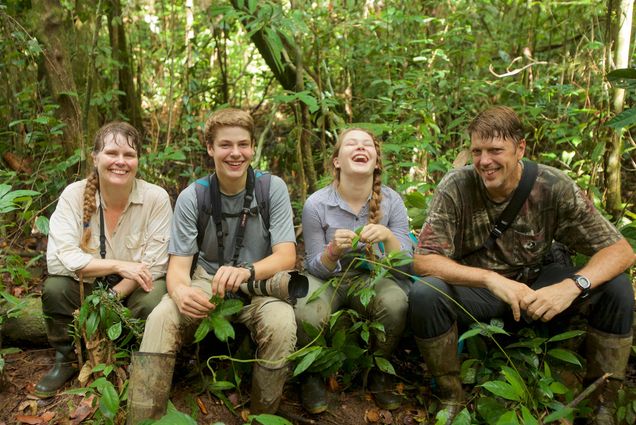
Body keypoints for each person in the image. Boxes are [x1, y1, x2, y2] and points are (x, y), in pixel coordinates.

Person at [409, 106, 635, 424]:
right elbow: (424, 259)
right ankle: (450, 397)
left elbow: (621, 250)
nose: (484, 161)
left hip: (539, 285)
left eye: (495, 150)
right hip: (482, 292)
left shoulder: (553, 185)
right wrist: (489, 278)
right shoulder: (456, 186)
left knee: (617, 287)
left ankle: (602, 403)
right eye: (477, 151)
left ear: (521, 148)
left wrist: (572, 286)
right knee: (426, 292)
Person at [132, 108, 297, 419]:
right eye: (225, 145)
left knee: (282, 323)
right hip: (207, 280)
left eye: (243, 144)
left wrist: (246, 271)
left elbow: (287, 256)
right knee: (162, 316)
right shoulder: (194, 196)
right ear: (210, 148)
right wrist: (181, 293)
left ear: (252, 147)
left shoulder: (270, 188)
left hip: (259, 283)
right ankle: (143, 416)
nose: (235, 153)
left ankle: (264, 413)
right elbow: (178, 270)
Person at [36, 121, 172, 398]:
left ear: (137, 161)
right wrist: (119, 265)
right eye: (112, 153)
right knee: (55, 288)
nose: (120, 162)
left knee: (153, 296)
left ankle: (130, 356)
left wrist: (113, 294)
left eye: (129, 155)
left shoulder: (155, 198)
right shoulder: (74, 196)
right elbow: (64, 259)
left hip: (130, 288)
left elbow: (156, 264)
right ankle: (67, 358)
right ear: (95, 157)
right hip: (86, 284)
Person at [294, 128, 412, 413]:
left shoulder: (392, 201)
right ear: (337, 161)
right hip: (328, 280)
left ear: (376, 161)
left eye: (366, 145)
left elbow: (406, 265)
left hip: (370, 278)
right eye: (351, 144)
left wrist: (386, 236)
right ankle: (312, 375)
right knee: (306, 310)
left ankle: (377, 371)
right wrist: (332, 251)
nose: (360, 148)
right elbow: (313, 267)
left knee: (396, 302)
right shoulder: (316, 204)